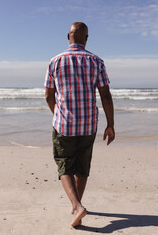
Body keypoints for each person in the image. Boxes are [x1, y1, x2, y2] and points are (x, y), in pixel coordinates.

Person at [44, 22, 115, 227]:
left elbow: (49, 96)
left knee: (64, 164)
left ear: (68, 36)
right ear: (86, 38)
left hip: (64, 124)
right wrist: (110, 124)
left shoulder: (54, 62)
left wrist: (58, 114)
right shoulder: (96, 62)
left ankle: (77, 206)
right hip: (88, 125)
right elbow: (105, 94)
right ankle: (77, 205)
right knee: (82, 167)